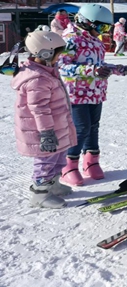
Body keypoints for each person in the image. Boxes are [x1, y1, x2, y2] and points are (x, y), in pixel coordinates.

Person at [58, 4, 127, 186]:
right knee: (81, 128)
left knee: (94, 126)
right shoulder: (70, 39)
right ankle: (68, 165)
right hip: (75, 92)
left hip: (95, 90)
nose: (103, 32)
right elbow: (61, 66)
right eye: (101, 27)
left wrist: (120, 69)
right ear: (86, 23)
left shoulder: (95, 40)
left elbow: (100, 64)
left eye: (107, 28)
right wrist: (92, 70)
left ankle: (91, 161)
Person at [11, 31, 77, 208]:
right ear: (45, 54)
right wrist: (46, 133)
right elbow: (39, 109)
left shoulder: (47, 71)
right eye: (57, 54)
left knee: (58, 157)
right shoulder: (37, 79)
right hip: (43, 131)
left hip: (57, 126)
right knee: (46, 161)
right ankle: (40, 194)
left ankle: (53, 184)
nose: (59, 58)